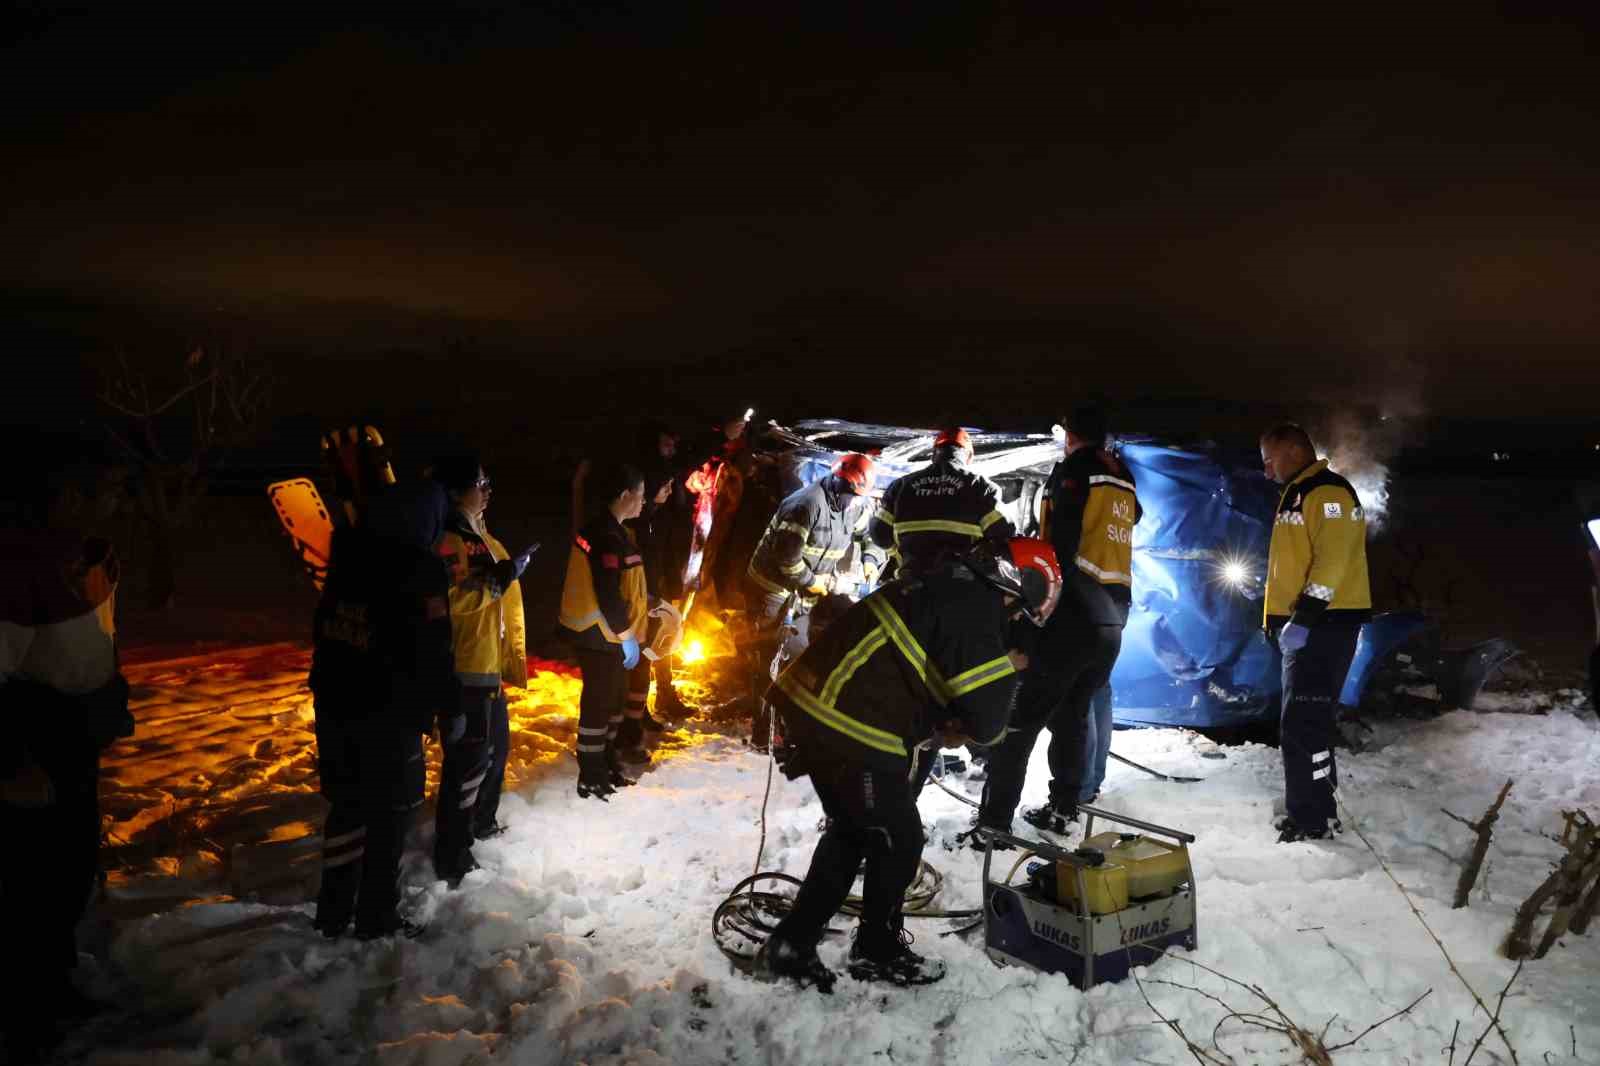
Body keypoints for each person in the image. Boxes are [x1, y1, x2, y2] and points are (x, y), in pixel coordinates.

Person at [752, 538, 1060, 991]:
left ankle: (793, 945)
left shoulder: (949, 585)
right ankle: (875, 950)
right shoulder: (974, 606)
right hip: (845, 718)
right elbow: (990, 723)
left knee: (857, 829)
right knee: (898, 837)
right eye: (1020, 612)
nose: (1014, 621)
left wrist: (944, 717)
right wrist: (1010, 666)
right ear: (1018, 587)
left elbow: (920, 668)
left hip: (822, 706)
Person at [1, 464, 131, 1061]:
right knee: (36, 884)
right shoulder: (19, 566)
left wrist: (109, 701)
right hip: (39, 743)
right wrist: (14, 762)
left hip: (76, 736)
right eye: (96, 486)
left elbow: (94, 642)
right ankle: (28, 1015)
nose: (110, 495)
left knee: (72, 871)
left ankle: (55, 986)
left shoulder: (91, 556)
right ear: (59, 495)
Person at [976, 405, 1141, 838]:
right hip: (1113, 614)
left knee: (1021, 721)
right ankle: (1065, 807)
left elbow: (1060, 544)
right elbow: (1132, 518)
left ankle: (993, 824)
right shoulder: (1122, 473)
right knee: (1073, 715)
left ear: (1070, 435)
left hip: (1073, 610)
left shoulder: (1074, 469)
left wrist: (1035, 606)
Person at [308, 480, 457, 938]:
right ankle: (376, 916)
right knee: (390, 812)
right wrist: (450, 707)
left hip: (335, 702)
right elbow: (434, 648)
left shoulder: (346, 557)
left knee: (348, 806)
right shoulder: (421, 568)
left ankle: (333, 914)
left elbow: (325, 628)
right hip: (389, 711)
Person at [1260, 422, 1371, 843]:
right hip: (1309, 628)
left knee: (1305, 726)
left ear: (1291, 450)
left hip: (1324, 628)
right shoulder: (1300, 492)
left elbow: (1332, 562)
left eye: (1269, 460)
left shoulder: (1327, 493)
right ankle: (1317, 811)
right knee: (1307, 725)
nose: (1267, 471)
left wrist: (1304, 618)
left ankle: (1311, 820)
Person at [430, 456, 533, 883]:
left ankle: (479, 824)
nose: (488, 491)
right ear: (456, 492)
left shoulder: (482, 537)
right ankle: (452, 852)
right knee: (467, 765)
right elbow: (451, 601)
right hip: (465, 668)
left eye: (489, 482)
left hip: (487, 665)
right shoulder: (450, 540)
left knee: (495, 753)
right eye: (480, 483)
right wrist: (502, 575)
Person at [743, 453, 885, 748]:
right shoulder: (805, 505)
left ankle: (785, 722)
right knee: (771, 657)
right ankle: (765, 731)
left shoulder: (855, 505)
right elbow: (787, 559)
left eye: (859, 497)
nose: (855, 502)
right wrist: (816, 582)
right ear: (836, 483)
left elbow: (869, 537)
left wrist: (870, 560)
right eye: (851, 495)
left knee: (797, 656)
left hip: (805, 591)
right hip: (772, 589)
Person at [560, 460, 651, 799]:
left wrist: (649, 604)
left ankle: (607, 762)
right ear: (626, 494)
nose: (644, 501)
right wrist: (626, 634)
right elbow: (607, 590)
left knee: (613, 701)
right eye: (641, 495)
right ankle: (591, 773)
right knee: (598, 704)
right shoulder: (605, 534)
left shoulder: (616, 530)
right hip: (598, 634)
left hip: (610, 633)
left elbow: (627, 585)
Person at [870, 425, 1014, 578]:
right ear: (969, 457)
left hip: (912, 581)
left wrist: (900, 554)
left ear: (934, 454)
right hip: (961, 585)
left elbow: (878, 532)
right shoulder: (982, 487)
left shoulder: (900, 485)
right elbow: (1004, 533)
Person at [625, 423, 689, 730]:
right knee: (646, 646)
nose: (671, 452)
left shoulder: (664, 505)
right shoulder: (637, 515)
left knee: (664, 638)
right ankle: (635, 713)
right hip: (646, 585)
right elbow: (643, 541)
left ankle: (664, 693)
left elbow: (669, 539)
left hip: (663, 575)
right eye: (665, 445)